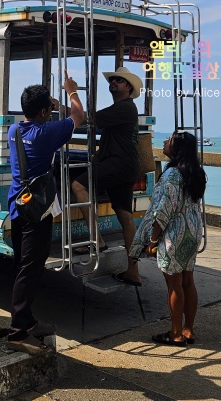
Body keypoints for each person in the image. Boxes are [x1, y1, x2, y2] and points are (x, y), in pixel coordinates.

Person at [6, 75, 85, 354]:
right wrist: (71, 92)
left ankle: (26, 322)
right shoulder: (46, 134)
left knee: (22, 267)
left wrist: (45, 105)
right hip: (38, 211)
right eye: (48, 109)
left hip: (17, 206)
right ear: (43, 112)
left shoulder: (14, 131)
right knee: (30, 270)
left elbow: (37, 117)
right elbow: (79, 115)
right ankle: (17, 334)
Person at [128, 131, 206, 346]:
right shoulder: (195, 172)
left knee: (174, 285)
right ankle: (188, 329)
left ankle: (176, 334)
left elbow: (163, 211)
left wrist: (152, 240)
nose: (164, 142)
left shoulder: (172, 175)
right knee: (188, 281)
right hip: (192, 229)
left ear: (177, 148)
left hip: (175, 232)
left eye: (169, 140)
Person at [71, 66, 144, 285]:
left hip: (119, 165)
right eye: (112, 80)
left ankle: (97, 241)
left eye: (118, 81)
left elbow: (85, 118)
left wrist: (69, 97)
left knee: (77, 186)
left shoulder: (125, 108)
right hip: (126, 166)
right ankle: (133, 271)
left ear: (128, 87)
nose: (113, 83)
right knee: (125, 216)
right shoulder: (122, 109)